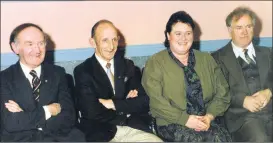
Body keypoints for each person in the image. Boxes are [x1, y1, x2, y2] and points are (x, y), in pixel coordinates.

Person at [142, 11, 232, 142]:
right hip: (171, 123)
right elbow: (156, 102)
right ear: (168, 35)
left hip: (205, 120)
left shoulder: (206, 59)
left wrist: (209, 116)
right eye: (178, 33)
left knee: (222, 137)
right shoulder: (155, 62)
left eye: (188, 33)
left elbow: (223, 93)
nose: (183, 38)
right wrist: (185, 119)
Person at [73, 19, 162, 142]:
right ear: (93, 42)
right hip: (100, 133)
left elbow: (144, 102)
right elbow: (91, 111)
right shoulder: (83, 71)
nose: (111, 46)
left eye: (114, 39)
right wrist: (126, 106)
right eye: (105, 40)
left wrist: (113, 104)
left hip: (133, 128)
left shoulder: (128, 66)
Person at [0, 23, 85, 142]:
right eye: (30, 44)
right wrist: (48, 111)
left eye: (41, 43)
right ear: (15, 48)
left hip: (57, 138)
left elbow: (69, 117)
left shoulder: (58, 73)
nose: (37, 50)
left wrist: (27, 117)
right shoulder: (4, 78)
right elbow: (11, 122)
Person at [212, 6, 272, 142]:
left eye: (249, 26)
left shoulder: (268, 53)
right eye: (239, 28)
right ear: (229, 30)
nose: (244, 32)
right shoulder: (217, 58)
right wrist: (243, 100)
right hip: (241, 117)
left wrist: (269, 92)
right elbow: (217, 91)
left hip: (270, 111)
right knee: (261, 139)